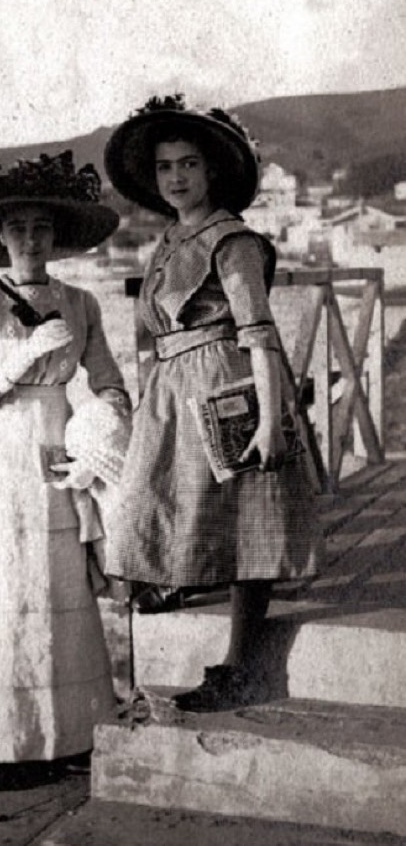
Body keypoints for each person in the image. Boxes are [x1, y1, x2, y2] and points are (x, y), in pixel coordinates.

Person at [103, 95, 324, 712]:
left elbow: (257, 328)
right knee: (159, 504)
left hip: (227, 383)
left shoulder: (233, 241)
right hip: (174, 389)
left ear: (213, 173)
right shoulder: (171, 241)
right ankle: (173, 590)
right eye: (166, 166)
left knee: (245, 521)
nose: (176, 177)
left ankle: (240, 665)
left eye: (189, 164)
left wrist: (273, 420)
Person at [0, 151, 130, 789]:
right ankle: (5, 744)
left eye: (41, 227)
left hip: (58, 451)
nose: (29, 239)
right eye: (16, 228)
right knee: (6, 596)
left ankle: (66, 738)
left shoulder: (79, 302)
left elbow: (108, 383)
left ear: (56, 234)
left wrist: (99, 431)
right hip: (0, 458)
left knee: (60, 594)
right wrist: (22, 357)